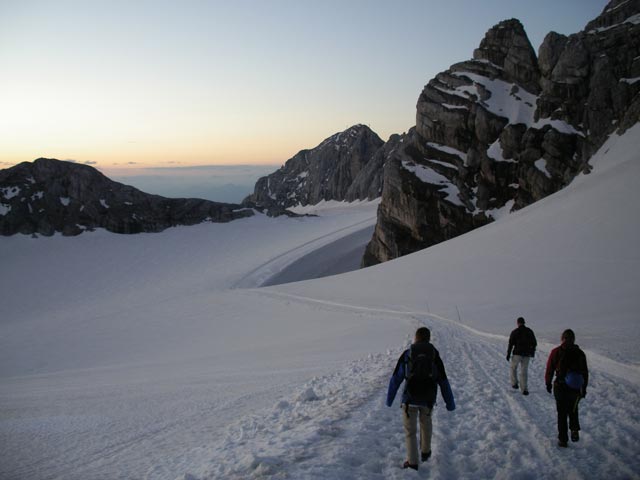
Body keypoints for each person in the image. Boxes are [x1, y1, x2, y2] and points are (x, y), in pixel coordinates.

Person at [386, 327, 455, 471]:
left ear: (416, 337)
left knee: (410, 431)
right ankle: (425, 452)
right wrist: (450, 403)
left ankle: (412, 462)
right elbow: (443, 380)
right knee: (426, 424)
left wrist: (389, 399)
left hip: (409, 399)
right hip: (428, 399)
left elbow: (396, 378)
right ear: (429, 338)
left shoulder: (408, 354)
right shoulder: (434, 355)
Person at [545, 329, 589, 447]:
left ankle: (563, 439)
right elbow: (585, 372)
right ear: (573, 339)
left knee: (562, 413)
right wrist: (583, 388)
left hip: (560, 386)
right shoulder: (580, 353)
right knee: (573, 409)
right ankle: (574, 429)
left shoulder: (556, 352)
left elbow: (550, 369)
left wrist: (548, 383)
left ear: (562, 339)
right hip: (575, 387)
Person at [506, 316, 537, 395]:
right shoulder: (529, 331)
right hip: (527, 354)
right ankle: (524, 389)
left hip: (517, 354)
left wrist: (508, 354)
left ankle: (514, 383)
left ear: (517, 323)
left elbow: (511, 344)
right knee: (524, 371)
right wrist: (532, 352)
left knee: (513, 368)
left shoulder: (515, 332)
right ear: (524, 322)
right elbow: (534, 343)